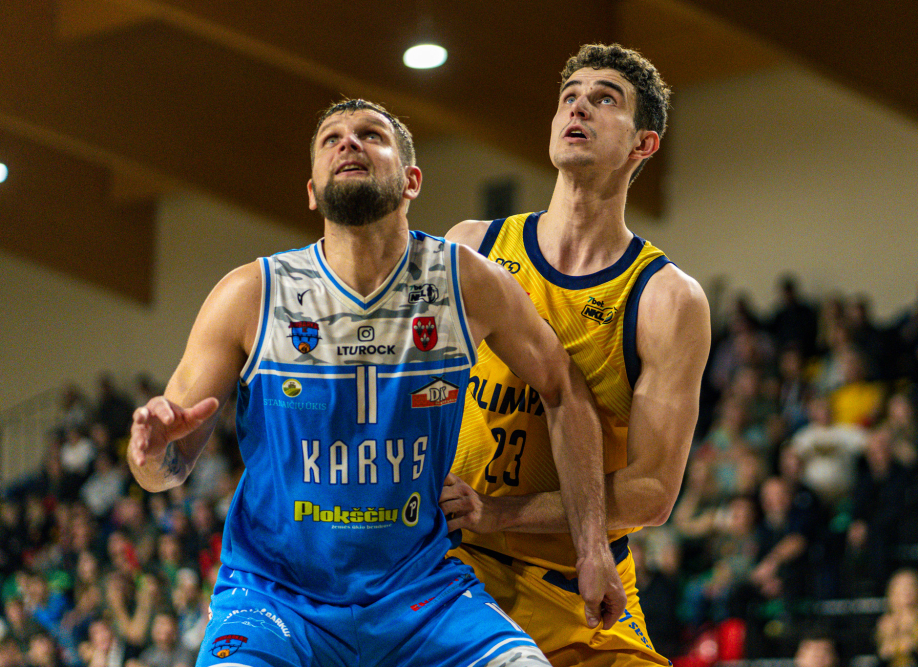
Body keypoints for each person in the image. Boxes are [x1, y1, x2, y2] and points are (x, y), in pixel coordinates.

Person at [127, 98, 625, 667]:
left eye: (370, 134)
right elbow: (166, 470)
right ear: (312, 191)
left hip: (422, 596)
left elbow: (564, 389)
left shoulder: (464, 281)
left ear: (411, 180)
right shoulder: (251, 294)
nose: (349, 142)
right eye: (331, 138)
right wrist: (152, 453)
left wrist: (593, 547)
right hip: (275, 601)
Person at [439, 43, 712, 667]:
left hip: (581, 579)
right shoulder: (474, 247)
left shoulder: (666, 299)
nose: (578, 106)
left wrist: (498, 512)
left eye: (604, 98)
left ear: (644, 144)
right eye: (569, 96)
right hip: (457, 566)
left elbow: (650, 492)